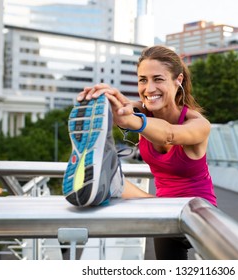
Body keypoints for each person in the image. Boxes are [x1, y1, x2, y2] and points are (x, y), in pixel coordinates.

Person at [62, 45, 217, 259]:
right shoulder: (142, 112)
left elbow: (169, 134)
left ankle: (110, 180)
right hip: (163, 209)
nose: (149, 88)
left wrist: (133, 121)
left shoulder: (199, 124)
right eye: (143, 80)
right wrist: (109, 101)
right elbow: (127, 108)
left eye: (158, 79)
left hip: (198, 212)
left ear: (178, 80)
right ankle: (107, 179)